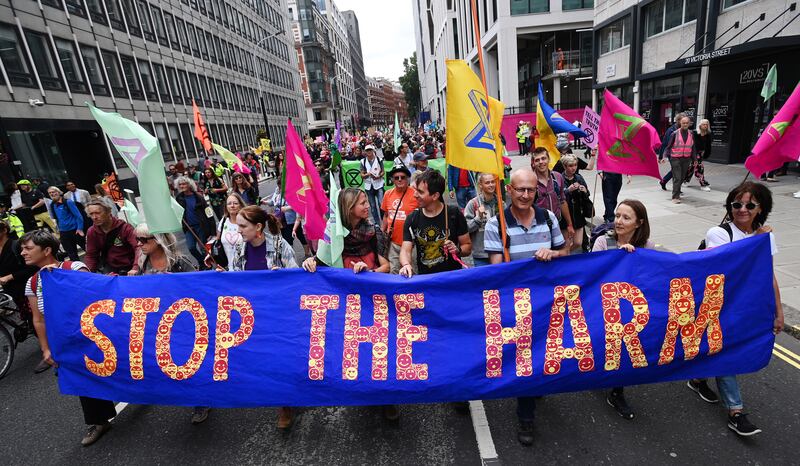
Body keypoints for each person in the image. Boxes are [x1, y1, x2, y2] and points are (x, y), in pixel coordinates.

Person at [688, 181, 783, 437]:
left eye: (750, 204)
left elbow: (768, 275)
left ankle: (697, 379)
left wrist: (778, 311)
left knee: (718, 350)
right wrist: (758, 241)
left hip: (746, 307)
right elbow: (730, 267)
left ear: (760, 207)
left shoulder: (765, 236)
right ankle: (736, 412)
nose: (742, 209)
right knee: (724, 351)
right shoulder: (718, 233)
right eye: (736, 204)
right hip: (717, 306)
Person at [483, 168, 567, 446]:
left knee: (544, 354)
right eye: (520, 189)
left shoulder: (548, 217)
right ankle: (526, 416)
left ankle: (534, 388)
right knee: (525, 360)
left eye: (531, 190)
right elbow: (496, 270)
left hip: (547, 304)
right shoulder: (496, 225)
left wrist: (552, 253)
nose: (526, 195)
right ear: (509, 190)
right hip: (515, 306)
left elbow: (564, 253)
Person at [302, 188, 395, 419]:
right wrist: (310, 262)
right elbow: (322, 263)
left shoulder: (373, 232)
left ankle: (387, 399)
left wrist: (369, 272)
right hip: (345, 304)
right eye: (363, 202)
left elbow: (387, 267)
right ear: (349, 208)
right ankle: (360, 391)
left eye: (366, 201)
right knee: (354, 349)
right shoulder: (332, 236)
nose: (367, 206)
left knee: (378, 348)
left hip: (371, 300)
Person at [22, 230, 116, 446]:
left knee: (122, 370)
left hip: (97, 336)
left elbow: (95, 295)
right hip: (68, 344)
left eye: (28, 248)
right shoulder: (33, 282)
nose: (23, 252)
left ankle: (144, 395)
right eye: (23, 248)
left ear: (46, 250)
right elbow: (39, 320)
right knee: (84, 380)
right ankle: (99, 421)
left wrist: (61, 278)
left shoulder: (74, 268)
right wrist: (46, 349)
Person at [224, 205, 297, 429]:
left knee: (279, 358)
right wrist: (220, 277)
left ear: (258, 227)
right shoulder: (239, 250)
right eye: (237, 227)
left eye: (243, 226)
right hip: (251, 316)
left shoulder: (278, 245)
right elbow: (233, 279)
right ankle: (279, 397)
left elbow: (296, 276)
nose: (239, 231)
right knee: (265, 359)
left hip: (277, 314)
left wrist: (282, 276)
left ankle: (285, 404)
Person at [133, 223, 206, 423]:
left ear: (158, 240)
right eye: (137, 240)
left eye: (144, 240)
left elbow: (198, 286)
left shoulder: (179, 262)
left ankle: (200, 402)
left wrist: (176, 283)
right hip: (157, 324)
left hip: (182, 323)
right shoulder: (142, 264)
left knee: (188, 362)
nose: (139, 244)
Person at [591, 199, 655, 419]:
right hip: (604, 307)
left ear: (639, 223)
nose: (618, 221)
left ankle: (617, 392)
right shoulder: (602, 241)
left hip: (630, 312)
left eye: (626, 217)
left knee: (625, 353)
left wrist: (634, 259)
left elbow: (650, 279)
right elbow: (593, 275)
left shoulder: (647, 247)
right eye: (617, 216)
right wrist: (618, 258)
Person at [399, 169, 471, 277]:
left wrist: (457, 250)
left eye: (420, 192)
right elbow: (405, 249)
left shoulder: (453, 214)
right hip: (426, 280)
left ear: (435, 196)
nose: (415, 195)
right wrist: (406, 264)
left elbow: (468, 247)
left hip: (453, 279)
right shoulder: (412, 218)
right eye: (416, 190)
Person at [530, 147, 575, 246]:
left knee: (560, 253)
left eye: (543, 158)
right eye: (537, 160)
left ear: (548, 159)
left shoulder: (558, 177)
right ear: (533, 163)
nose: (541, 162)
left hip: (557, 225)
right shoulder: (530, 181)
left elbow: (562, 202)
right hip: (537, 227)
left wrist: (569, 224)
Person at [84, 198, 140, 275]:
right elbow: (91, 255)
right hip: (110, 267)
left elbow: (138, 248)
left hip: (130, 266)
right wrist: (87, 274)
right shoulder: (91, 232)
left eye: (97, 213)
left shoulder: (125, 228)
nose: (94, 217)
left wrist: (136, 267)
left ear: (108, 211)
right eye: (91, 214)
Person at [381, 165, 419, 274]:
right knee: (394, 271)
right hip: (393, 243)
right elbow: (385, 215)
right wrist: (383, 234)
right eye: (396, 177)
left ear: (407, 178)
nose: (399, 179)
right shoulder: (387, 194)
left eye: (402, 177)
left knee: (412, 271)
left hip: (411, 244)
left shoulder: (416, 194)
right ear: (392, 179)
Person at [174, 176, 216, 269]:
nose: (182, 186)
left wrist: (212, 231)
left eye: (184, 184)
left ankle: (207, 265)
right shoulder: (179, 198)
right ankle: (202, 261)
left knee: (203, 249)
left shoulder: (199, 197)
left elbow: (209, 213)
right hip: (188, 228)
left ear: (189, 185)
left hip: (201, 226)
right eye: (180, 184)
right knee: (191, 248)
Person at [463, 173, 499, 266]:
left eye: (492, 182)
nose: (491, 185)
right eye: (487, 183)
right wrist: (478, 218)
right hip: (481, 254)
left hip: (498, 251)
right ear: (480, 185)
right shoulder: (473, 204)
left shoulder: (501, 204)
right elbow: (465, 228)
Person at [561, 155, 591, 253]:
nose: (573, 168)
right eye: (570, 165)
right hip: (566, 214)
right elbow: (558, 197)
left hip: (578, 213)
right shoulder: (560, 178)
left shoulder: (578, 177)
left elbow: (587, 193)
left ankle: (564, 253)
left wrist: (584, 190)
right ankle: (565, 257)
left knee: (578, 242)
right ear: (565, 166)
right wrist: (568, 190)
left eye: (575, 165)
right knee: (568, 242)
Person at [207, 193, 245, 271]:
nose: (232, 206)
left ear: (240, 205)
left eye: (235, 203)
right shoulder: (224, 220)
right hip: (228, 267)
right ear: (226, 207)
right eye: (229, 204)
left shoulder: (246, 222)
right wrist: (210, 255)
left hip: (245, 267)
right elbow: (218, 240)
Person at [270, 187, 311, 258]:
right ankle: (290, 258)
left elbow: (300, 203)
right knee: (288, 241)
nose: (280, 189)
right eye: (279, 187)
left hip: (293, 220)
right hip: (283, 222)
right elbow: (273, 203)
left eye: (281, 187)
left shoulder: (294, 193)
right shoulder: (278, 194)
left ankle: (307, 254)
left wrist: (288, 208)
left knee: (302, 238)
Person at [47, 187, 86, 261]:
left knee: (86, 248)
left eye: (54, 191)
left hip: (75, 230)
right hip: (64, 232)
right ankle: (78, 270)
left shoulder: (68, 202)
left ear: (59, 192)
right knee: (71, 254)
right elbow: (57, 218)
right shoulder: (52, 204)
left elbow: (78, 216)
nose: (52, 194)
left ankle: (99, 266)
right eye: (50, 193)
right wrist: (59, 230)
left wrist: (80, 228)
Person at [658, 112, 686, 191]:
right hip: (672, 154)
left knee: (677, 170)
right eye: (682, 121)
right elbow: (664, 144)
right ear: (678, 121)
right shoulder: (671, 130)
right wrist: (660, 156)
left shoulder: (685, 130)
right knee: (677, 170)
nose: (685, 123)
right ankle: (676, 189)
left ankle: (664, 181)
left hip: (682, 154)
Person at [360, 144, 384, 224]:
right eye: (367, 150)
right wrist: (368, 174)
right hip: (369, 187)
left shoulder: (379, 159)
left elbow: (383, 171)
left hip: (379, 184)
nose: (369, 152)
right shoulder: (363, 161)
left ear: (373, 151)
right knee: (373, 207)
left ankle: (384, 221)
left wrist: (378, 176)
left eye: (370, 150)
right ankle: (377, 223)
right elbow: (362, 175)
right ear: (365, 152)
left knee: (381, 204)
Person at [688, 118, 712, 191]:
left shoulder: (708, 134)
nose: (705, 126)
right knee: (700, 167)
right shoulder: (695, 133)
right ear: (700, 125)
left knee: (692, 167)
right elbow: (693, 145)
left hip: (701, 153)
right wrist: (693, 154)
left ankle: (685, 180)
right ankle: (703, 184)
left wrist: (707, 154)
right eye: (703, 124)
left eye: (706, 124)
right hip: (694, 152)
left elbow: (708, 145)